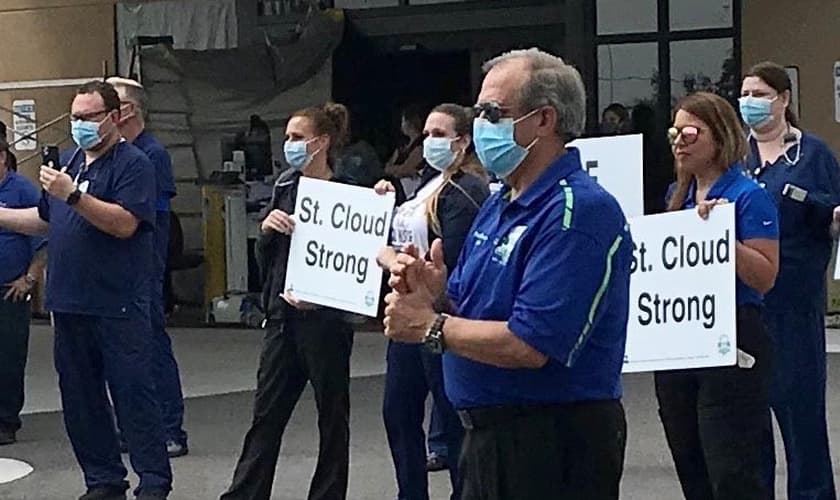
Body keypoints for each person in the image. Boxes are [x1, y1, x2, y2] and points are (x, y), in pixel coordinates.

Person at [381, 48, 633, 500]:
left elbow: (531, 344)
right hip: (489, 437)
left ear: (544, 121)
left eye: (493, 112)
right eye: (478, 112)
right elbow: (471, 304)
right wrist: (435, 293)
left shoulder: (577, 212)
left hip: (552, 440)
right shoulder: (501, 201)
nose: (480, 124)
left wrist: (429, 326)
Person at [0, 81, 171, 499]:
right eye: (75, 117)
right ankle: (103, 479)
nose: (80, 125)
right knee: (81, 401)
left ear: (114, 117)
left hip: (117, 302)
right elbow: (45, 220)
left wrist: (73, 195)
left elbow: (124, 222)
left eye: (89, 117)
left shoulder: (134, 164)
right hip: (69, 302)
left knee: (132, 395)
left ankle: (153, 481)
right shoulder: (75, 161)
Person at [220, 102, 354, 500]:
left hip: (325, 321)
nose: (289, 145)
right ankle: (245, 492)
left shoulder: (345, 192)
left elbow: (353, 261)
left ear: (322, 142)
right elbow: (267, 259)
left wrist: (327, 299)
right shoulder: (285, 187)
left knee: (332, 415)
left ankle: (328, 493)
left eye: (298, 137)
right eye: (288, 137)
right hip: (282, 315)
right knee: (267, 413)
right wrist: (267, 230)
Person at [657, 91, 780, 500]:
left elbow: (764, 276)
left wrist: (723, 237)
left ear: (720, 136)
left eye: (690, 132)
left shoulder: (748, 195)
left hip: (733, 335)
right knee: (690, 461)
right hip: (681, 338)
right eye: (674, 132)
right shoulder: (674, 198)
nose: (679, 141)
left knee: (732, 466)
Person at [375, 103, 489, 500]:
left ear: (464, 141)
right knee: (398, 412)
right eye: (426, 134)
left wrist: (409, 268)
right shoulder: (427, 182)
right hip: (406, 312)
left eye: (440, 134)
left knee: (453, 419)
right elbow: (394, 241)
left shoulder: (466, 189)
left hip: (438, 313)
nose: (430, 142)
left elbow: (452, 256)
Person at [740, 61, 840, 500]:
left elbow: (832, 216)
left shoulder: (812, 156)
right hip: (744, 308)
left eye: (760, 93)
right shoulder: (734, 159)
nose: (750, 102)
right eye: (745, 94)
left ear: (783, 99)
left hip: (795, 305)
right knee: (748, 425)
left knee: (801, 419)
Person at [106, 76, 187, 459]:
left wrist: (149, 273)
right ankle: (134, 426)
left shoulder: (150, 154)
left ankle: (170, 428)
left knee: (152, 345)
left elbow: (152, 220)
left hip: (142, 267)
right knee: (124, 352)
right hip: (115, 270)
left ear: (128, 111)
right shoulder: (115, 155)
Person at [0, 137, 46, 446]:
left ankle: (5, 421)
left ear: (2, 157)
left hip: (9, 291)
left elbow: (44, 239)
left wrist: (29, 279)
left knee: (8, 357)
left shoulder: (22, 190)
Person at [385, 104, 428, 198]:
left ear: (409, 123)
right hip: (396, 187)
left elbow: (405, 169)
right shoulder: (402, 146)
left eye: (403, 121)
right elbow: (387, 168)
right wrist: (397, 170)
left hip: (409, 191)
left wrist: (396, 169)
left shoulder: (420, 147)